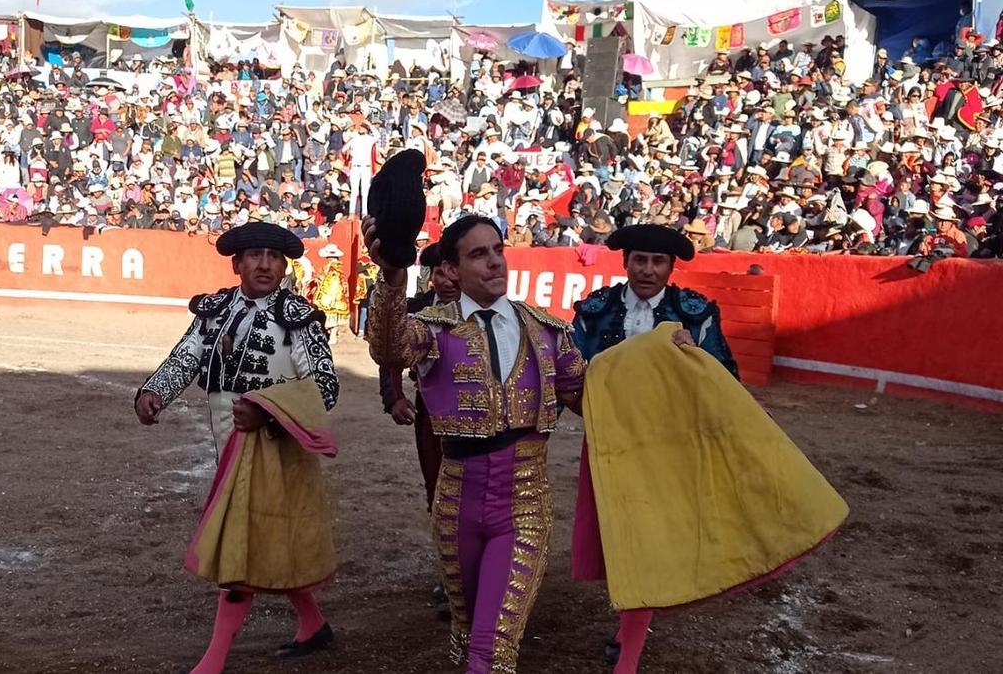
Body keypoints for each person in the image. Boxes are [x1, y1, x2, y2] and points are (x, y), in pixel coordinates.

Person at [569, 225, 847, 674]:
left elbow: (723, 379)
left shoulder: (694, 313)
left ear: (671, 267)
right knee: (628, 536)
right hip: (615, 445)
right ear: (625, 263)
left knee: (648, 539)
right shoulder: (596, 310)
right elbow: (572, 375)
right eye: (639, 260)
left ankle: (629, 653)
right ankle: (629, 632)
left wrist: (695, 354)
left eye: (658, 262)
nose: (647, 270)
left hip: (674, 444)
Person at [363, 214, 586, 674]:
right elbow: (387, 349)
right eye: (478, 254)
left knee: (491, 648)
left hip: (523, 502)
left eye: (498, 250)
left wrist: (663, 369)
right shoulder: (433, 329)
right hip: (456, 502)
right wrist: (392, 276)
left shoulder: (545, 330)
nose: (494, 263)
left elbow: (595, 399)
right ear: (451, 269)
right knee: (466, 636)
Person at [133, 222, 340, 674]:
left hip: (279, 449)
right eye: (254, 255)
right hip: (228, 447)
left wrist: (268, 413)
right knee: (267, 542)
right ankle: (312, 624)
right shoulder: (216, 310)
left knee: (240, 546)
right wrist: (154, 392)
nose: (264, 264)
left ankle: (214, 658)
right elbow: (186, 356)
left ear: (284, 265)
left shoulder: (297, 317)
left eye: (273, 256)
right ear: (237, 263)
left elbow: (325, 386)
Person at [377, 242, 461, 618]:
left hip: (486, 417)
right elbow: (391, 358)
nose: (444, 281)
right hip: (432, 413)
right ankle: (452, 576)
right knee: (439, 493)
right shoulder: (417, 311)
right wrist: (394, 397)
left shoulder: (490, 310)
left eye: (450, 271)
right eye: (436, 273)